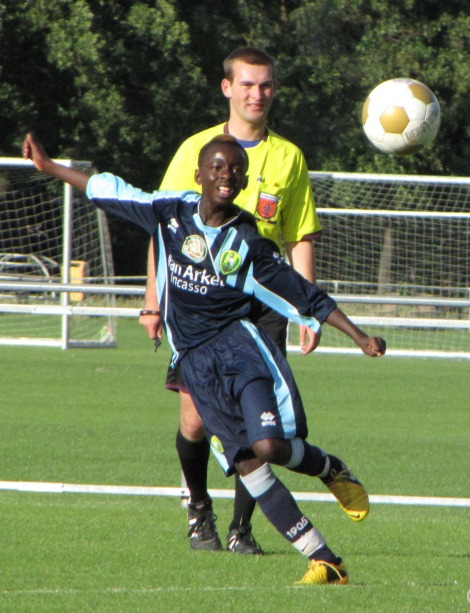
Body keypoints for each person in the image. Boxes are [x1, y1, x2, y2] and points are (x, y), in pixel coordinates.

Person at [24, 132, 386, 585]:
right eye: (216, 167)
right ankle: (324, 560)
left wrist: (359, 336)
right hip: (195, 364)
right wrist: (49, 167)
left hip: (242, 353)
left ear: (244, 178)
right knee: (248, 462)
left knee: (270, 447)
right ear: (199, 174)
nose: (225, 175)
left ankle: (329, 467)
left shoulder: (249, 241)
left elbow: (305, 294)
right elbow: (106, 187)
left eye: (235, 169)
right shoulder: (170, 211)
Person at [138, 47, 324, 555]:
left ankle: (243, 529)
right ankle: (200, 511)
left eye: (265, 85)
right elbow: (163, 224)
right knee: (195, 419)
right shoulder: (195, 149)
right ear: (227, 88)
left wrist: (304, 307)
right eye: (246, 85)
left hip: (259, 305)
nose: (256, 94)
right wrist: (153, 300)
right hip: (199, 303)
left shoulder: (289, 158)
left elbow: (298, 235)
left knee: (253, 418)